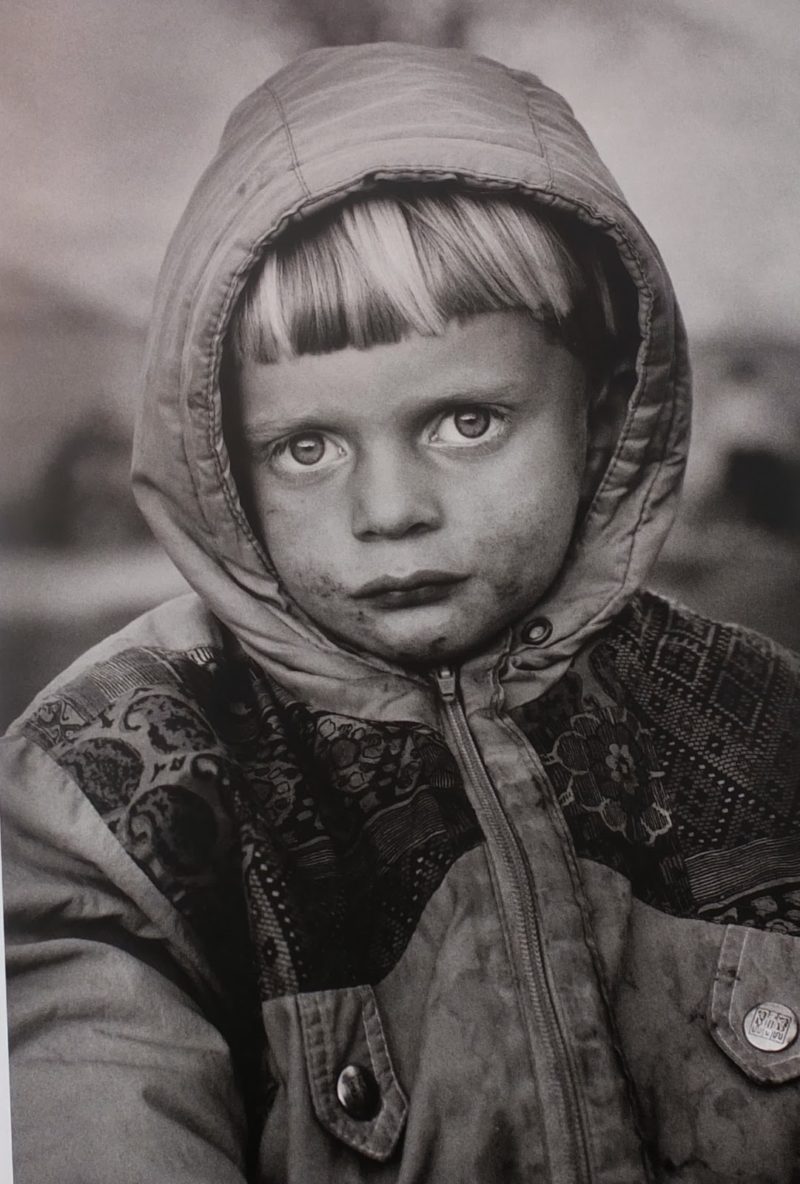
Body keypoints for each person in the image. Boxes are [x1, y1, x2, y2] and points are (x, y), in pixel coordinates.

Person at [2, 42, 799, 1184]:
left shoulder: (761, 718)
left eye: (465, 421)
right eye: (305, 445)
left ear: (604, 406)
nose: (388, 510)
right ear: (218, 458)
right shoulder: (114, 791)